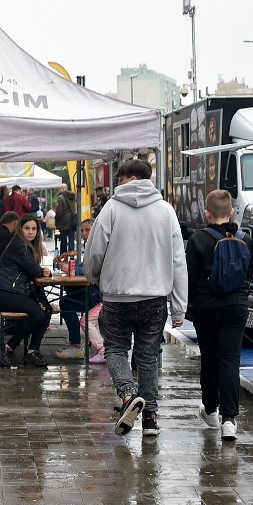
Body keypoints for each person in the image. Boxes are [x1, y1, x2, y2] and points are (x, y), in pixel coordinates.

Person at [84, 159, 187, 438]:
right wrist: (179, 307)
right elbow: (178, 260)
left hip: (117, 296)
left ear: (128, 178)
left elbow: (94, 252)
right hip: (154, 297)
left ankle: (129, 395)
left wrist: (93, 276)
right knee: (148, 356)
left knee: (116, 348)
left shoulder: (112, 209)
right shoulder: (166, 211)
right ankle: (151, 418)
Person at [185, 190, 253, 441]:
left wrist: (187, 307)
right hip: (236, 305)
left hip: (207, 306)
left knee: (210, 358)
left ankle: (211, 409)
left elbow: (190, 278)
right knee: (229, 360)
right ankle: (229, 420)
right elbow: (248, 273)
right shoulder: (245, 239)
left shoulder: (197, 240)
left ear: (207, 213)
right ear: (232, 211)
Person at [0, 213, 53, 367]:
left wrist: (41, 270)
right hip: (2, 292)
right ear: (20, 229)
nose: (30, 232)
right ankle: (9, 348)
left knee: (46, 310)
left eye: (34, 229)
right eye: (27, 228)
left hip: (13, 291)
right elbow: (35, 271)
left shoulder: (26, 246)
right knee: (38, 313)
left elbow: (33, 270)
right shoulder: (19, 245)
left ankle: (32, 352)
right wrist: (42, 270)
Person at [54, 219, 103, 361]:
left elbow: (94, 268)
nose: (84, 234)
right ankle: (76, 343)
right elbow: (86, 265)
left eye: (87, 230)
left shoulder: (98, 246)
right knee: (68, 297)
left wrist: (74, 269)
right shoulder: (90, 245)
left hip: (99, 296)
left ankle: (76, 344)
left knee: (66, 302)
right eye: (82, 231)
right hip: (94, 292)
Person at [54, 183, 77, 254]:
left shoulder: (61, 197)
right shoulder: (72, 196)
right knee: (71, 239)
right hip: (72, 221)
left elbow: (59, 211)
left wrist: (56, 218)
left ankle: (64, 255)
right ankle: (72, 254)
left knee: (63, 240)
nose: (59, 190)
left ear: (63, 189)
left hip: (63, 222)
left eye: (60, 188)